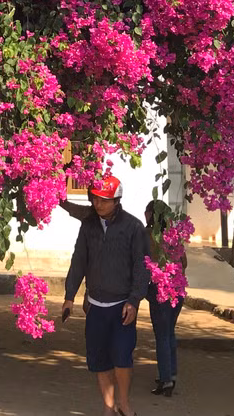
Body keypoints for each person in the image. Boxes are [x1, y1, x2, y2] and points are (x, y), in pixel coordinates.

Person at [62, 176, 150, 416]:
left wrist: (134, 300)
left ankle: (124, 403)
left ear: (116, 201)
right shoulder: (88, 225)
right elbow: (79, 260)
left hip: (122, 306)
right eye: (95, 199)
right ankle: (108, 407)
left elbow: (142, 267)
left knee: (122, 359)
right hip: (95, 306)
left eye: (104, 200)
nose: (98, 204)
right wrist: (70, 295)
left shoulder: (133, 227)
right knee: (99, 360)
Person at [145, 199, 187, 398]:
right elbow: (184, 262)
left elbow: (141, 262)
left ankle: (166, 379)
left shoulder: (149, 235)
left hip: (160, 290)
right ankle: (171, 373)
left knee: (162, 335)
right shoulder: (174, 236)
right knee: (169, 333)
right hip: (177, 290)